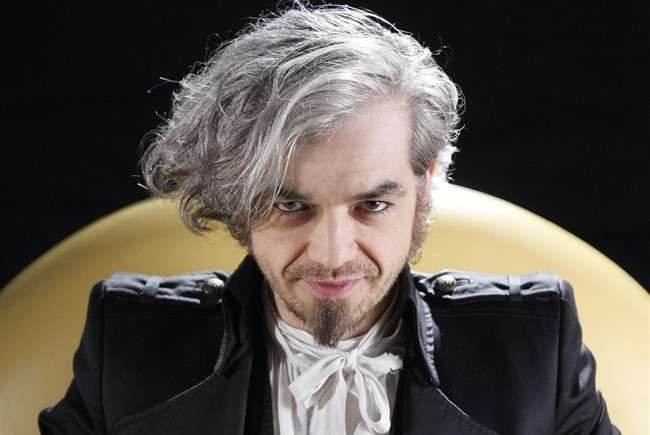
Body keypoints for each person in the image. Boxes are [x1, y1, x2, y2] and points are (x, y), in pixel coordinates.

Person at [38, 3, 619, 434]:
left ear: (425, 186)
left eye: (372, 205)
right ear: (236, 195)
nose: (333, 253)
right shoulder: (127, 344)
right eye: (290, 205)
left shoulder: (537, 347)